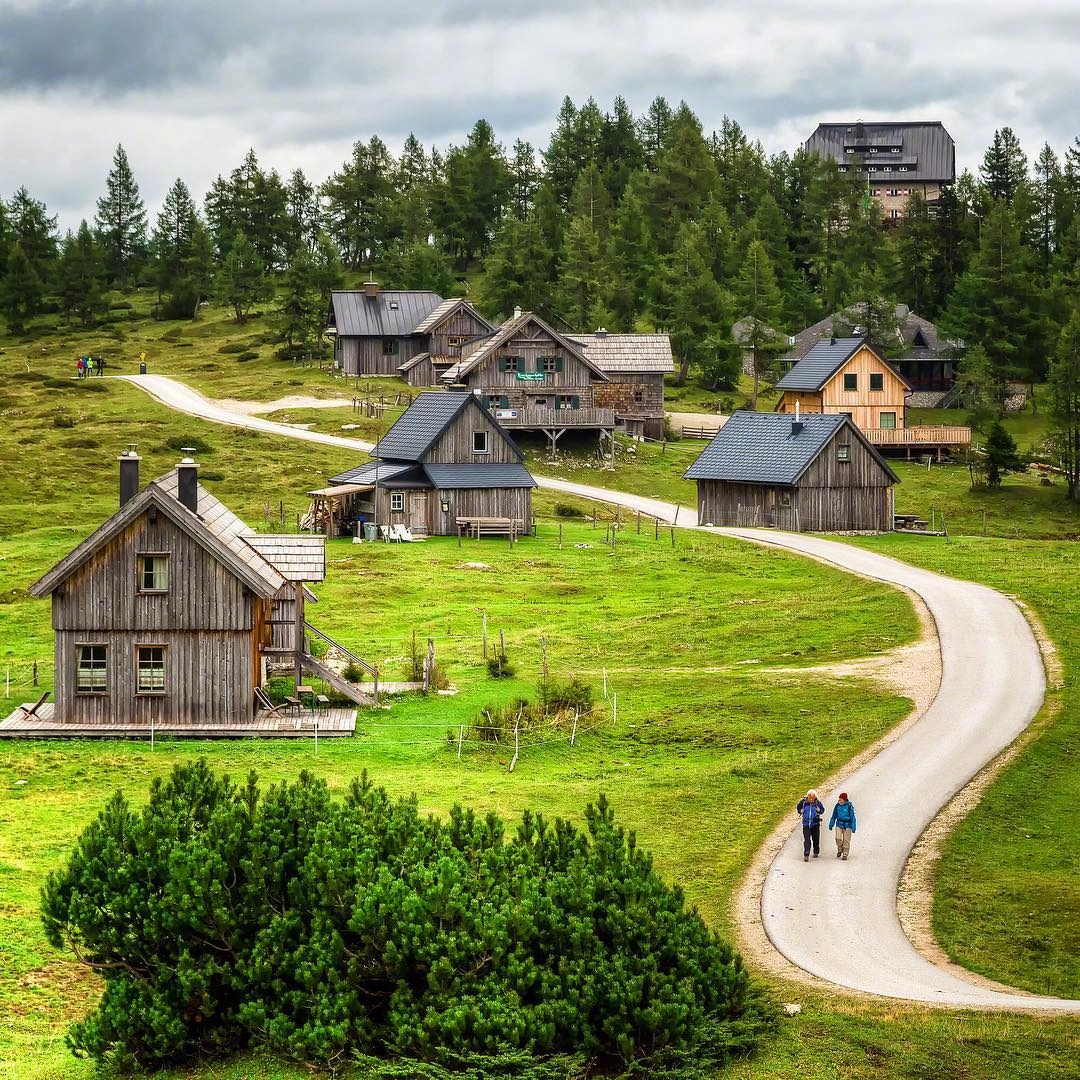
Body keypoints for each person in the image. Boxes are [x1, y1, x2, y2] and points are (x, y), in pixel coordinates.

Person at [796, 789, 825, 861]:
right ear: (807, 796)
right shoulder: (803, 802)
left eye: (813, 797)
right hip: (806, 824)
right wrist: (800, 811)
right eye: (810, 797)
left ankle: (816, 851)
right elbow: (798, 808)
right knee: (807, 840)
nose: (811, 799)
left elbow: (822, 810)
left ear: (815, 797)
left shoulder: (817, 803)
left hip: (815, 824)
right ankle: (806, 854)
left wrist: (819, 810)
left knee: (816, 839)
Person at [829, 792, 857, 860]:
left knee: (846, 840)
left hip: (848, 825)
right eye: (839, 799)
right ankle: (840, 849)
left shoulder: (849, 806)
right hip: (839, 823)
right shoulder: (837, 805)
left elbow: (853, 817)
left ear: (844, 799)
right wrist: (831, 824)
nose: (839, 800)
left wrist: (853, 827)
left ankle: (845, 854)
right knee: (837, 838)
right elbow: (834, 815)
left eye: (841, 799)